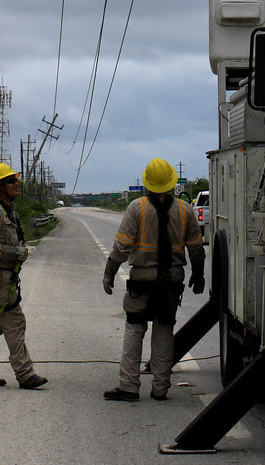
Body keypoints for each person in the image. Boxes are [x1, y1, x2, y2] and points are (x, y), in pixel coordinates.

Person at [102, 158, 205, 402]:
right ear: (171, 184)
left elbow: (121, 246)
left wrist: (109, 272)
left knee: (135, 328)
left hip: (141, 280)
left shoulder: (136, 208)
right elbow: (197, 248)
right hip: (172, 281)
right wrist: (198, 275)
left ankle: (128, 386)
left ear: (148, 184)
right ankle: (160, 388)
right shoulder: (185, 210)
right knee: (164, 329)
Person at [0, 163, 47, 389]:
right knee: (14, 321)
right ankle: (25, 374)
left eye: (16, 180)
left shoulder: (6, 209)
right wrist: (16, 252)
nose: (17, 184)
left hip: (1, 278)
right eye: (11, 180)